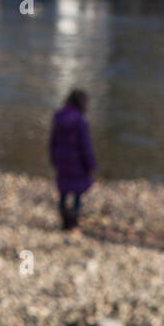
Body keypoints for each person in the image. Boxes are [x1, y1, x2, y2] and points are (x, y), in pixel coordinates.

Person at [48, 89, 96, 231]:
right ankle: (73, 222)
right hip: (77, 163)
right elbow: (85, 146)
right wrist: (91, 164)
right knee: (76, 192)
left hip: (62, 160)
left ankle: (64, 219)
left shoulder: (58, 117)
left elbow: (53, 141)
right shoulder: (81, 121)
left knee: (63, 190)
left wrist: (53, 158)